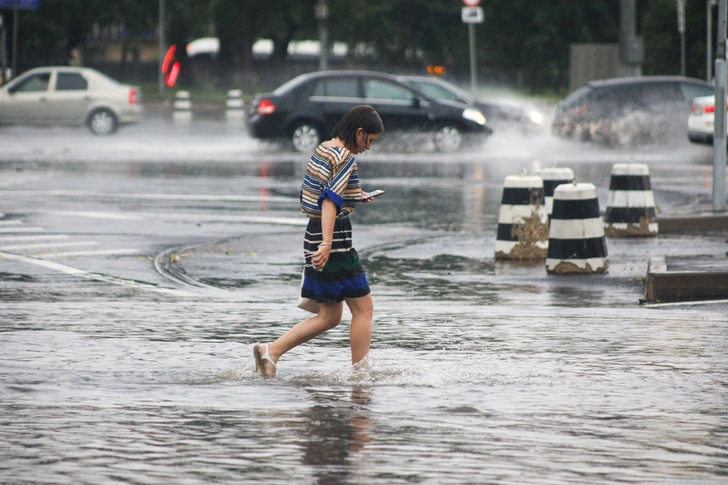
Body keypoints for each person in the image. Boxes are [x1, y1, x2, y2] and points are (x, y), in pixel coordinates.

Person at [254, 105, 384, 378]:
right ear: (359, 132)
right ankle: (361, 376)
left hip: (313, 232)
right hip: (334, 238)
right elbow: (329, 200)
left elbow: (316, 192)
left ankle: (271, 351)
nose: (368, 148)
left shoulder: (325, 148)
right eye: (369, 141)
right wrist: (327, 244)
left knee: (330, 316)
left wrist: (355, 195)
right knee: (364, 309)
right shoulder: (346, 157)